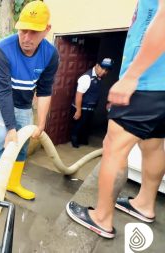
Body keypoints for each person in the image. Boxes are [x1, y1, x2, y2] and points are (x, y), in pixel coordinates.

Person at [66, 0, 165, 239]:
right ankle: (144, 204)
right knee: (154, 143)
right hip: (159, 88)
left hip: (146, 83)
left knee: (113, 147)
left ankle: (101, 217)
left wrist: (132, 76)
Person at [0, 0, 59, 200]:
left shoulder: (51, 54)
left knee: (23, 142)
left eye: (34, 32)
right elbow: (3, 91)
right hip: (0, 95)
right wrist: (11, 128)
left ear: (47, 30)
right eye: (22, 30)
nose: (26, 38)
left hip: (24, 101)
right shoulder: (2, 49)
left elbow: (44, 90)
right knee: (4, 138)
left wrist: (41, 123)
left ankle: (14, 184)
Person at [71, 58, 113, 148]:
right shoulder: (86, 78)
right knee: (78, 125)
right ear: (97, 66)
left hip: (90, 108)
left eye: (107, 70)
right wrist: (78, 111)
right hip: (81, 107)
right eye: (103, 68)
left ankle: (83, 139)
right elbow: (79, 95)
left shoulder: (99, 78)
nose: (104, 72)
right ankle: (74, 140)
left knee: (86, 125)